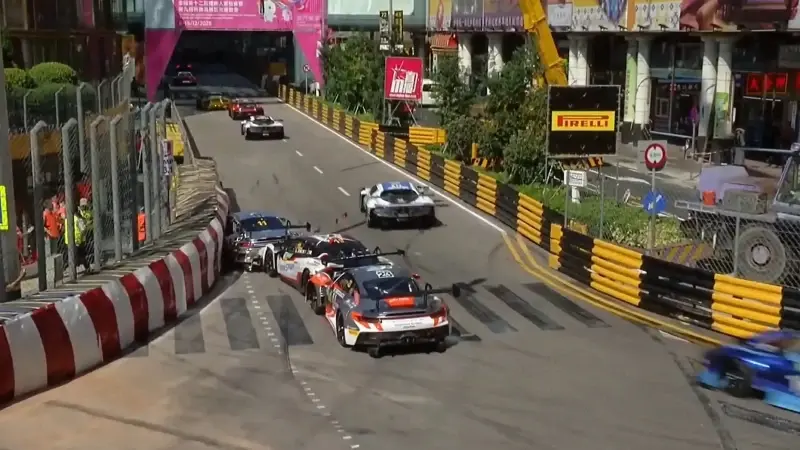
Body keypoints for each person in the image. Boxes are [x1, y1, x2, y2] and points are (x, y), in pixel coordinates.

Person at [78, 198, 94, 266]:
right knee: (83, 247)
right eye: (83, 205)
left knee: (90, 245)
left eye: (85, 205)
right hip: (82, 232)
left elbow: (92, 218)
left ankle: (91, 259)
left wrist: (90, 221)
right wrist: (86, 222)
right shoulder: (79, 212)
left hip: (89, 230)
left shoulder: (88, 211)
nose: (84, 207)